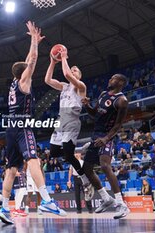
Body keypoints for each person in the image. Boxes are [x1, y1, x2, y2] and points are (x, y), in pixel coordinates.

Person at [0, 21, 66, 225]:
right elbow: (33, 58)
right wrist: (35, 43)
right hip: (21, 126)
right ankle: (46, 200)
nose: (30, 69)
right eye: (27, 69)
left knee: (11, 170)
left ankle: (3, 207)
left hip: (10, 128)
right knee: (34, 160)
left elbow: (27, 61)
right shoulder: (24, 82)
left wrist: (33, 41)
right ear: (24, 74)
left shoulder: (14, 83)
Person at [44, 46, 93, 201]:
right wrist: (52, 62)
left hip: (72, 120)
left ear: (79, 75)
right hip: (60, 121)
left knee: (68, 155)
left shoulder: (81, 86)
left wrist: (64, 57)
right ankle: (78, 149)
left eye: (76, 70)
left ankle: (86, 181)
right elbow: (47, 80)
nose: (73, 70)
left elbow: (66, 73)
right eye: (72, 69)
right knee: (53, 153)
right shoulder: (64, 87)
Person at [81, 74, 130, 219]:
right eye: (110, 78)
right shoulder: (103, 94)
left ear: (120, 82)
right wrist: (87, 105)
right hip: (96, 134)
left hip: (107, 135)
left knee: (104, 165)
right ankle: (106, 198)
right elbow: (95, 114)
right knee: (87, 169)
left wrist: (106, 138)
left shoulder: (122, 101)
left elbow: (118, 125)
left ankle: (122, 205)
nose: (109, 80)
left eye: (113, 78)